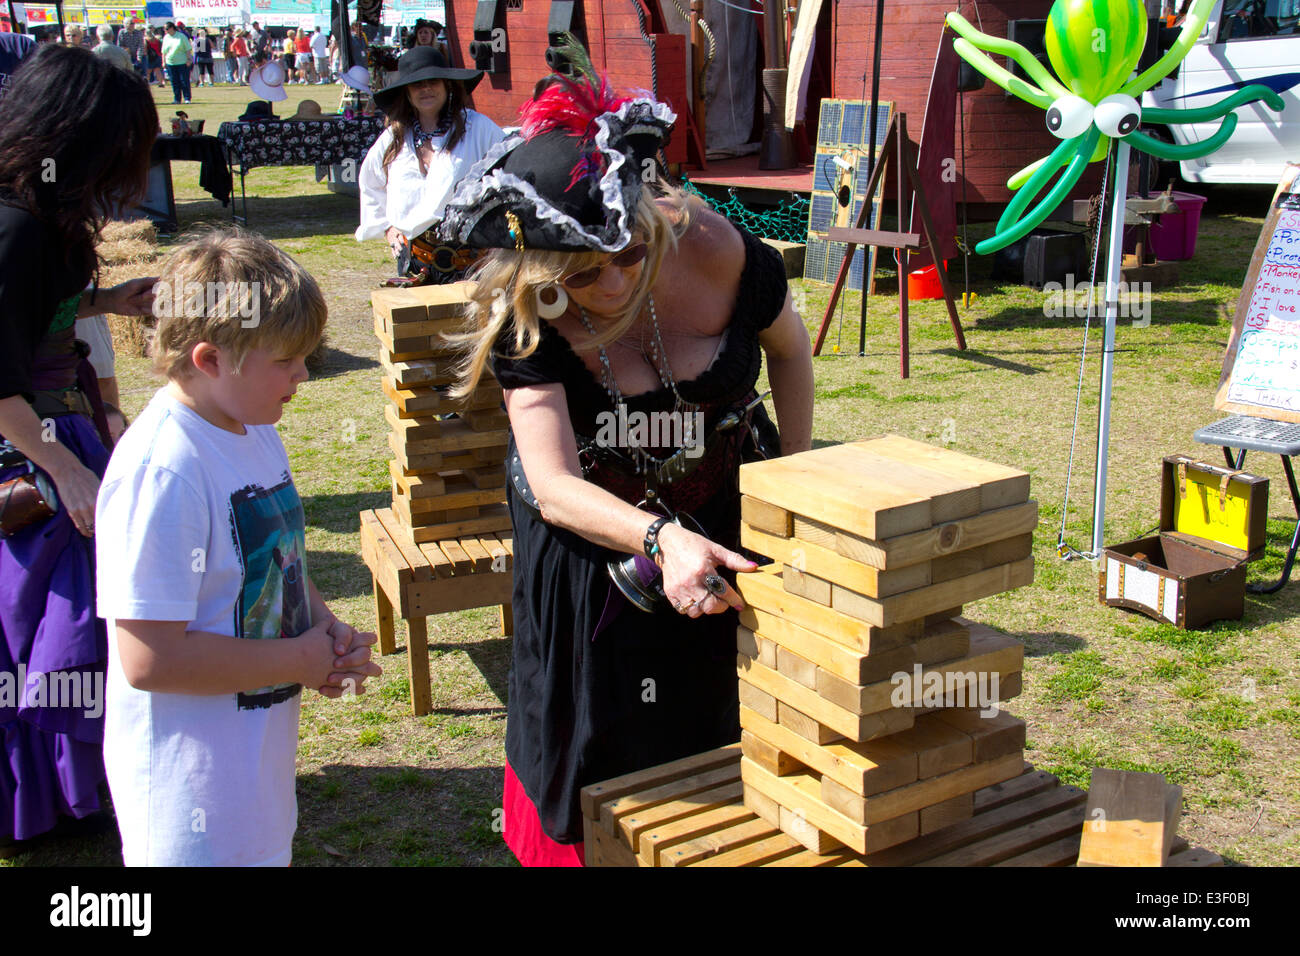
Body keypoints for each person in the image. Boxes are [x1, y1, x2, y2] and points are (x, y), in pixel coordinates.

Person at [439, 63, 815, 865]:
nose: (610, 282)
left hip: (722, 518)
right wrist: (659, 539)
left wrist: (796, 477)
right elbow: (553, 484)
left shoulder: (720, 251)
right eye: (578, 272)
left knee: (722, 720)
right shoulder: (526, 315)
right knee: (608, 734)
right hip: (595, 549)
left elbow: (792, 351)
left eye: (629, 253)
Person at [94, 228, 381, 867]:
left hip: (251, 781)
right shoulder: (163, 469)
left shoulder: (250, 427)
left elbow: (277, 553)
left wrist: (323, 631)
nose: (304, 374)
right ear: (210, 359)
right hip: (188, 803)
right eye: (287, 360)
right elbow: (150, 660)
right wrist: (294, 661)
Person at [0, 43, 158, 858]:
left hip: (67, 434)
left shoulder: (38, 216)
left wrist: (107, 299)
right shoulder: (17, 228)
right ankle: (48, 801)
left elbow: (34, 315)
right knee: (55, 638)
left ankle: (67, 793)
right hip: (34, 453)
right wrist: (60, 468)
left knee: (68, 637)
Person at [356, 47, 504, 283]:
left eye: (433, 81)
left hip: (472, 262)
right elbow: (370, 182)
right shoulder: (395, 136)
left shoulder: (478, 127)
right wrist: (387, 228)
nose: (425, 89)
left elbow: (509, 175)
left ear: (447, 85)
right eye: (417, 84)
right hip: (415, 263)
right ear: (406, 92)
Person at [161, 21, 191, 104]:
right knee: (174, 81)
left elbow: (188, 49)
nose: (165, 31)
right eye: (164, 29)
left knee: (184, 81)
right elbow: (163, 51)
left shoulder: (181, 36)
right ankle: (177, 99)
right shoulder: (166, 37)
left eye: (166, 29)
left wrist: (188, 59)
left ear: (171, 28)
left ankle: (187, 98)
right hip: (170, 62)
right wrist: (163, 61)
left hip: (181, 62)